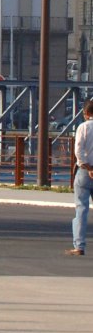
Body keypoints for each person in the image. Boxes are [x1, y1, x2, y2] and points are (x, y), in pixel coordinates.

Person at [66, 100, 93, 256]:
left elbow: (79, 151)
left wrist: (88, 167)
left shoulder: (83, 127)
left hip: (84, 171)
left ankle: (79, 246)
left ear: (86, 113)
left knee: (81, 209)